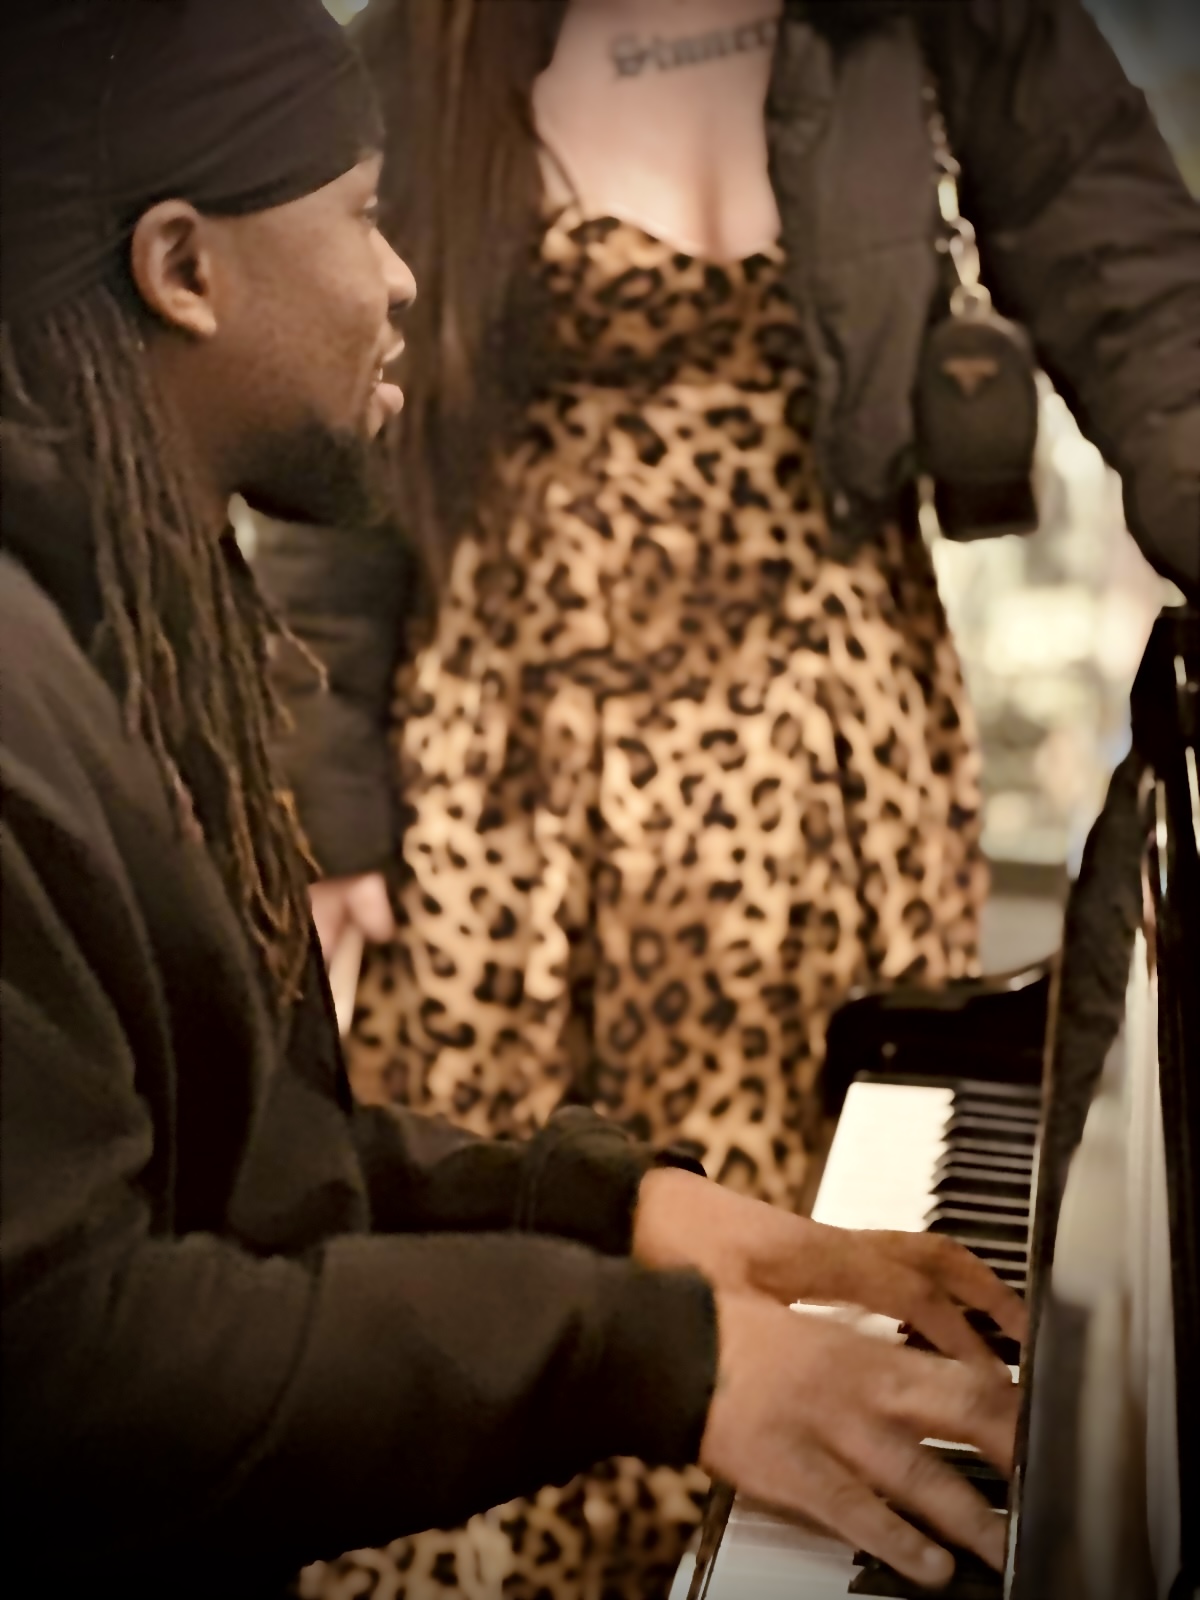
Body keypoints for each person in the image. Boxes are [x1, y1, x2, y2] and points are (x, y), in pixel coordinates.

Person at [0, 4, 1025, 1599]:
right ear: (184, 269)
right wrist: (651, 1354)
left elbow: (253, 1188)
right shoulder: (27, 715)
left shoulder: (135, 607)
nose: (408, 273)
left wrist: (616, 1213)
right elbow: (73, 1368)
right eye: (363, 214)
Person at [253, 0, 1200, 1593]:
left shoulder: (950, 22)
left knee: (835, 1249)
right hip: (514, 805)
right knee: (541, 1268)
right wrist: (330, 801)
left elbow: (1142, 295)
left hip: (834, 787)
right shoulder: (423, 49)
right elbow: (338, 445)